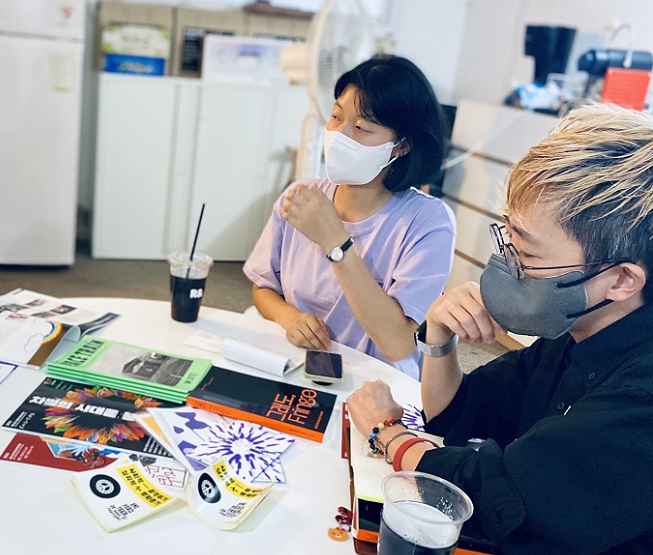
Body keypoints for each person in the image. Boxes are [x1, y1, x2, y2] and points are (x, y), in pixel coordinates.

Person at [346, 103, 653, 553]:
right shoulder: (577, 333)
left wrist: (386, 433)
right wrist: (438, 334)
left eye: (527, 254)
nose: (507, 264)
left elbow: (500, 497)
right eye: (508, 238)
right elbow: (456, 413)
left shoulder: (639, 396)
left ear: (622, 280)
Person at [243, 56, 455, 379]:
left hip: (375, 381)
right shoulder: (302, 197)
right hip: (296, 363)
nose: (340, 135)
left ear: (401, 146)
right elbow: (263, 288)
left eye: (360, 128)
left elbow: (398, 344)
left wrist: (336, 242)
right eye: (336, 117)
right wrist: (289, 318)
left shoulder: (429, 222)